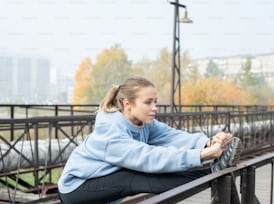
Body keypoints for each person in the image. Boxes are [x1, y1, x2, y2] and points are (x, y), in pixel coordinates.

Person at [58, 76, 241, 204]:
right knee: (136, 175)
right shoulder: (110, 131)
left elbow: (172, 136)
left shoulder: (143, 122)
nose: (154, 107)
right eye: (148, 102)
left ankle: (212, 171)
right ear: (127, 104)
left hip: (103, 179)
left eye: (155, 101)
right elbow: (149, 158)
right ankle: (212, 172)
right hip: (76, 188)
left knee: (136, 174)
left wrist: (207, 142)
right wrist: (201, 155)